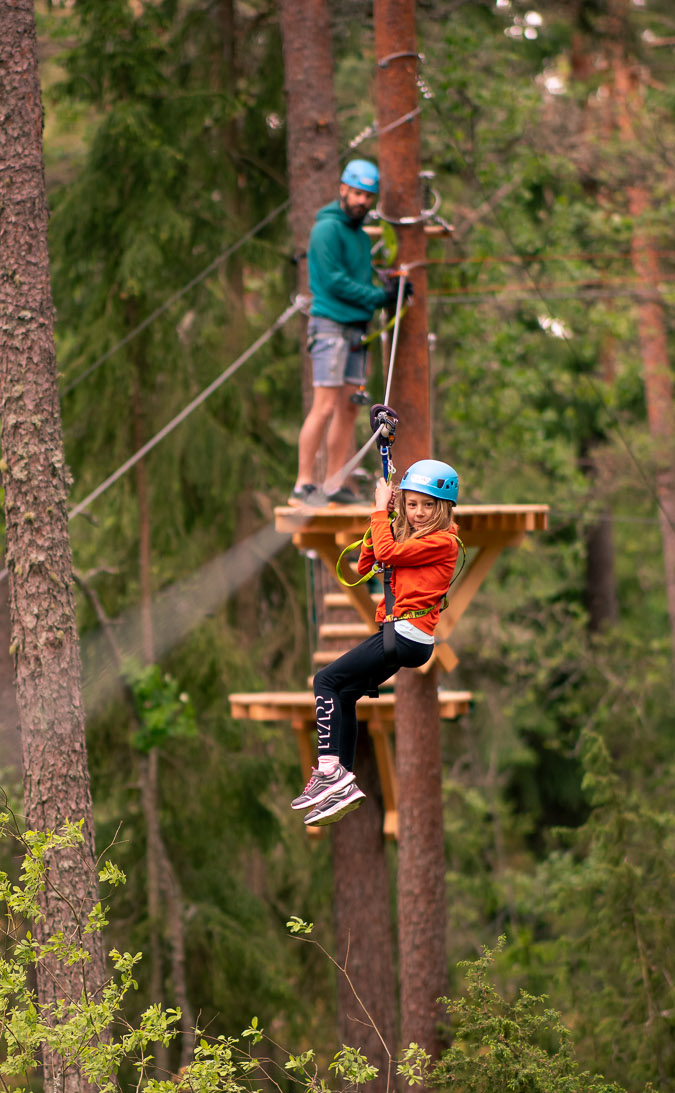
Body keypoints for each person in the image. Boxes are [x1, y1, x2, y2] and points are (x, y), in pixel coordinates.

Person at [293, 458, 462, 827]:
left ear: (444, 508)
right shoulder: (409, 537)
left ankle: (328, 771)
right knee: (345, 693)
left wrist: (376, 512)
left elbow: (388, 555)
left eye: (427, 505)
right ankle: (342, 782)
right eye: (412, 504)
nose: (418, 513)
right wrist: (383, 518)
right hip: (399, 635)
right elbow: (370, 564)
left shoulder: (444, 541)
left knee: (325, 681)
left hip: (406, 635)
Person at [294, 159, 407, 505]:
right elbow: (333, 281)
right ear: (343, 189)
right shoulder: (326, 229)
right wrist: (378, 296)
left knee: (348, 408)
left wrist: (392, 287)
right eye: (357, 193)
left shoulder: (358, 236)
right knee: (325, 405)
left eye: (368, 196)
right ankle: (303, 483)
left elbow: (358, 279)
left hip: (357, 329)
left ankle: (332, 483)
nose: (362, 201)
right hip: (330, 324)